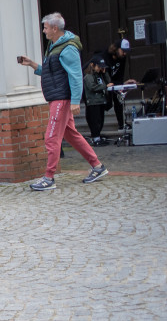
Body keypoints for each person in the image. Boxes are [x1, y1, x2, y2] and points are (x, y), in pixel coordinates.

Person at [18, 12, 109, 190]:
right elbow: (52, 71)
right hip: (57, 98)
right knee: (71, 134)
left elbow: (76, 75)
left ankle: (49, 178)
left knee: (51, 137)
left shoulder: (68, 48)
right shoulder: (54, 46)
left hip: (61, 99)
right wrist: (33, 65)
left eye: (45, 27)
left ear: (54, 28)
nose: (43, 31)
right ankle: (97, 166)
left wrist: (75, 101)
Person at [104, 38, 136, 132]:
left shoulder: (122, 58)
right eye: (123, 51)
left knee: (119, 100)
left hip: (115, 81)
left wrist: (122, 85)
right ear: (117, 49)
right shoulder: (106, 56)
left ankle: (121, 125)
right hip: (106, 82)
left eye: (126, 52)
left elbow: (120, 73)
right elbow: (105, 75)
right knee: (106, 103)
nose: (125, 54)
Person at [83, 57, 110, 146]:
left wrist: (105, 73)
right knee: (95, 121)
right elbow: (92, 87)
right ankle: (96, 138)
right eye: (99, 67)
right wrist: (105, 86)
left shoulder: (99, 75)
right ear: (92, 65)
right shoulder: (88, 76)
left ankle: (98, 136)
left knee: (101, 120)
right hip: (93, 102)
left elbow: (108, 82)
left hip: (101, 101)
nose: (100, 69)